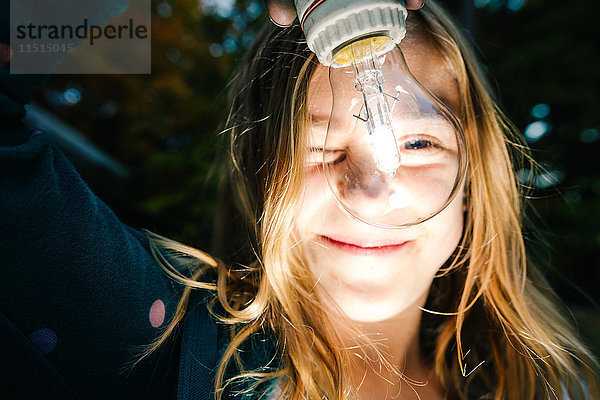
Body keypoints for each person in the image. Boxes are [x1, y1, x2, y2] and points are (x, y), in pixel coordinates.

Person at [0, 2, 597, 400]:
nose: (371, 186)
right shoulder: (165, 348)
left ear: (475, 177)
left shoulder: (539, 385)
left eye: (417, 143)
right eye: (314, 146)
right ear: (262, 175)